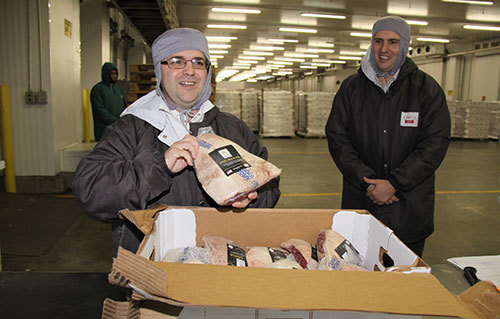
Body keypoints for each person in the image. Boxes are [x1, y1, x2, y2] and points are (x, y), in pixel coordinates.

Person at [73, 28, 281, 256]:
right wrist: (160, 166)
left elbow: (269, 187)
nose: (189, 71)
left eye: (199, 62)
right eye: (176, 61)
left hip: (220, 266)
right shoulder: (131, 127)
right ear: (159, 70)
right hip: (153, 267)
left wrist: (253, 196)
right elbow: (91, 191)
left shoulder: (232, 128)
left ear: (207, 71)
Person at [325, 16, 450, 257]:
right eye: (378, 41)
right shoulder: (351, 88)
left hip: (408, 206)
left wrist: (395, 183)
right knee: (359, 272)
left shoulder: (426, 89)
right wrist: (368, 181)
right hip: (362, 201)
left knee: (404, 279)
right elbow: (337, 137)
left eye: (393, 42)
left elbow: (435, 142)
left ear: (404, 46)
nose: (384, 49)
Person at [90, 62, 126, 141]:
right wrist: (114, 120)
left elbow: (123, 107)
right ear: (106, 74)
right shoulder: (97, 89)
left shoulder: (118, 90)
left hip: (118, 131)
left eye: (116, 73)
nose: (114, 76)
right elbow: (99, 110)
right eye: (112, 73)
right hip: (103, 131)